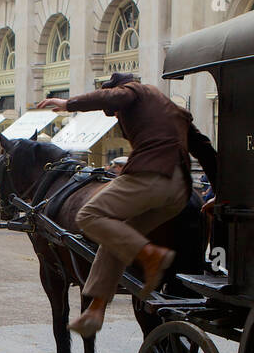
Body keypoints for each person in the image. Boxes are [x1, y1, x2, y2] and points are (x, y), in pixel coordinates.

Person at [37, 72, 218, 336]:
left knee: (89, 215)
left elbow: (115, 96)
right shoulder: (174, 110)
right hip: (179, 192)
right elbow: (205, 150)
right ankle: (96, 308)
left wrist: (68, 104)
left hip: (151, 177)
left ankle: (150, 255)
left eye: (115, 113)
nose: (117, 116)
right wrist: (221, 193)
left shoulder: (135, 91)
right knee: (117, 237)